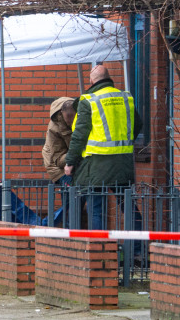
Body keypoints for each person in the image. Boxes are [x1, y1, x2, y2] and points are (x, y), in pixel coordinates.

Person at [63, 64, 144, 230]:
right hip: (122, 162)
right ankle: (137, 249)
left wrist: (70, 162)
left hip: (96, 164)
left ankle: (98, 249)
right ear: (108, 78)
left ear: (91, 80)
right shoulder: (125, 98)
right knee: (128, 206)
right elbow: (138, 124)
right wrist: (124, 141)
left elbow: (79, 136)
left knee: (96, 210)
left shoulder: (89, 101)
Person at [42, 96, 76, 184]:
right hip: (56, 165)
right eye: (68, 118)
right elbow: (59, 159)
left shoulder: (83, 113)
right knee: (70, 191)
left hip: (72, 161)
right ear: (62, 113)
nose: (71, 123)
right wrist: (78, 151)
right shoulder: (54, 127)